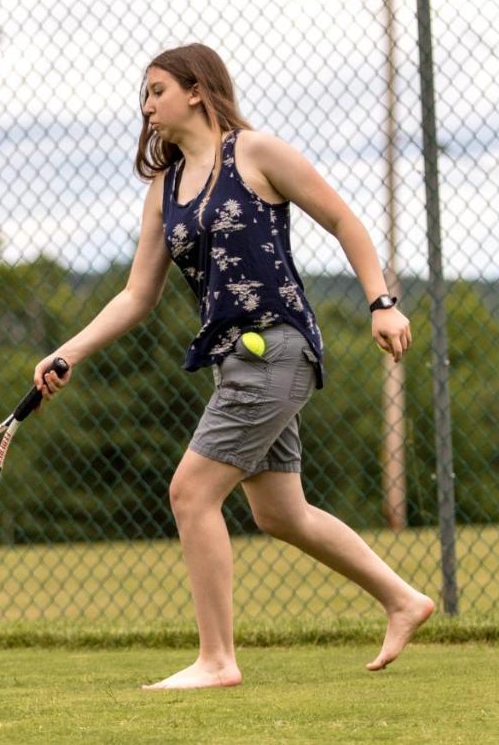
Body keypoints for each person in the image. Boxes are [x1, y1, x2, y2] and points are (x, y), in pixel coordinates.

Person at [32, 43, 434, 690]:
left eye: (157, 90)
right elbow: (138, 293)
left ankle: (217, 659)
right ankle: (402, 599)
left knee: (191, 492)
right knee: (280, 513)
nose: (146, 105)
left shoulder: (254, 152)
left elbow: (343, 218)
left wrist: (382, 302)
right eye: (144, 94)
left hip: (277, 345)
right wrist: (68, 350)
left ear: (196, 89)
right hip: (231, 361)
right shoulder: (163, 190)